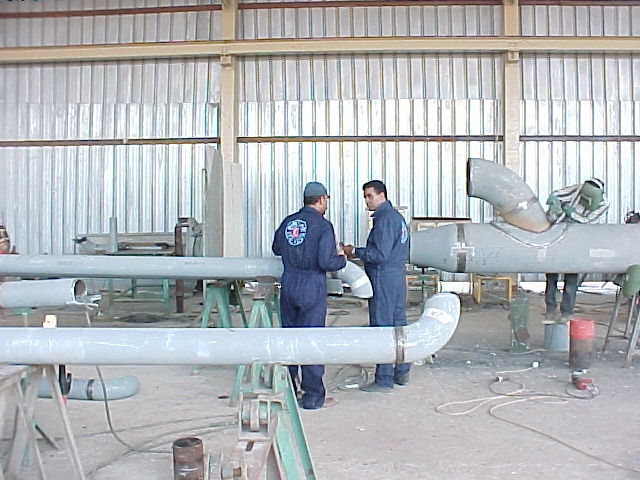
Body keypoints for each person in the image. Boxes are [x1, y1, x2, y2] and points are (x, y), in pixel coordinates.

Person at [272, 181, 346, 410]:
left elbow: (276, 248)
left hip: (289, 282)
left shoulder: (289, 221)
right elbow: (326, 262)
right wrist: (342, 258)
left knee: (291, 337)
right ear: (322, 199)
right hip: (311, 285)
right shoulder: (323, 226)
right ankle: (312, 396)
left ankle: (289, 390)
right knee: (312, 339)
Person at [342, 180, 410, 393]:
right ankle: (402, 370)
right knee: (398, 324)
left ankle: (384, 379)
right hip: (396, 276)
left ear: (382, 195)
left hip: (383, 277)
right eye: (365, 197)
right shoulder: (397, 218)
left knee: (382, 326)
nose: (367, 201)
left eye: (370, 196)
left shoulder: (385, 219)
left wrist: (354, 251)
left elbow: (380, 254)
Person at [544, 178, 609, 321]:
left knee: (571, 279)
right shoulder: (577, 189)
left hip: (578, 239)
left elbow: (588, 222)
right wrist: (554, 203)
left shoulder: (603, 205)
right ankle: (550, 308)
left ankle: (566, 312)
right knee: (551, 275)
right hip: (559, 234)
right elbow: (557, 194)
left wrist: (571, 213)